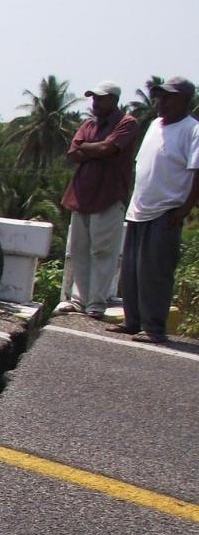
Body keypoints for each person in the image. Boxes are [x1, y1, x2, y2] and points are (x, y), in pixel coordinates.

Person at [109, 76, 199, 345]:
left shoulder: (192, 129)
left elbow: (197, 173)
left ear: (185, 100)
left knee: (155, 273)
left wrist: (184, 209)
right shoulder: (153, 125)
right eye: (161, 96)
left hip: (166, 211)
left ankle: (154, 328)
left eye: (170, 97)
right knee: (132, 271)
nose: (163, 102)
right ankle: (132, 321)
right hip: (139, 208)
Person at [57, 81, 139, 318]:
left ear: (113, 100)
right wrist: (95, 149)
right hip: (82, 194)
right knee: (80, 250)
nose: (95, 103)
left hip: (109, 195)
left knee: (103, 251)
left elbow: (108, 149)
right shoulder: (88, 124)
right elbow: (73, 153)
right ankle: (78, 299)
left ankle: (96, 302)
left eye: (100, 98)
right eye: (93, 98)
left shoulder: (127, 123)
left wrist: (89, 148)